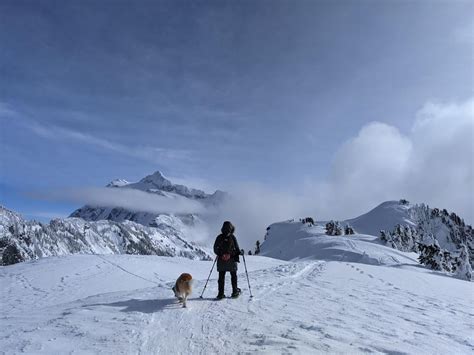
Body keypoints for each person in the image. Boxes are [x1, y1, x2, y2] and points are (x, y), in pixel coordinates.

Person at [213, 221, 242, 299]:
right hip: (231, 261)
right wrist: (230, 255)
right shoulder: (232, 237)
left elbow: (215, 249)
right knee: (233, 276)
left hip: (221, 261)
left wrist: (221, 255)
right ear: (231, 228)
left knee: (221, 277)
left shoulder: (219, 237)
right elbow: (237, 249)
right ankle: (235, 292)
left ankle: (220, 294)